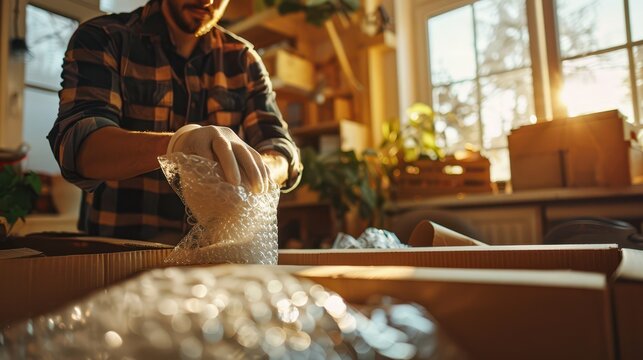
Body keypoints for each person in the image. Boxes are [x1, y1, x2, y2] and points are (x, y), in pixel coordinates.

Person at [47, 0, 302, 243]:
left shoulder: (243, 60)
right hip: (117, 258)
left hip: (215, 263)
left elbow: (281, 149)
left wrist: (262, 170)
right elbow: (79, 147)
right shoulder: (104, 37)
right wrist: (177, 145)